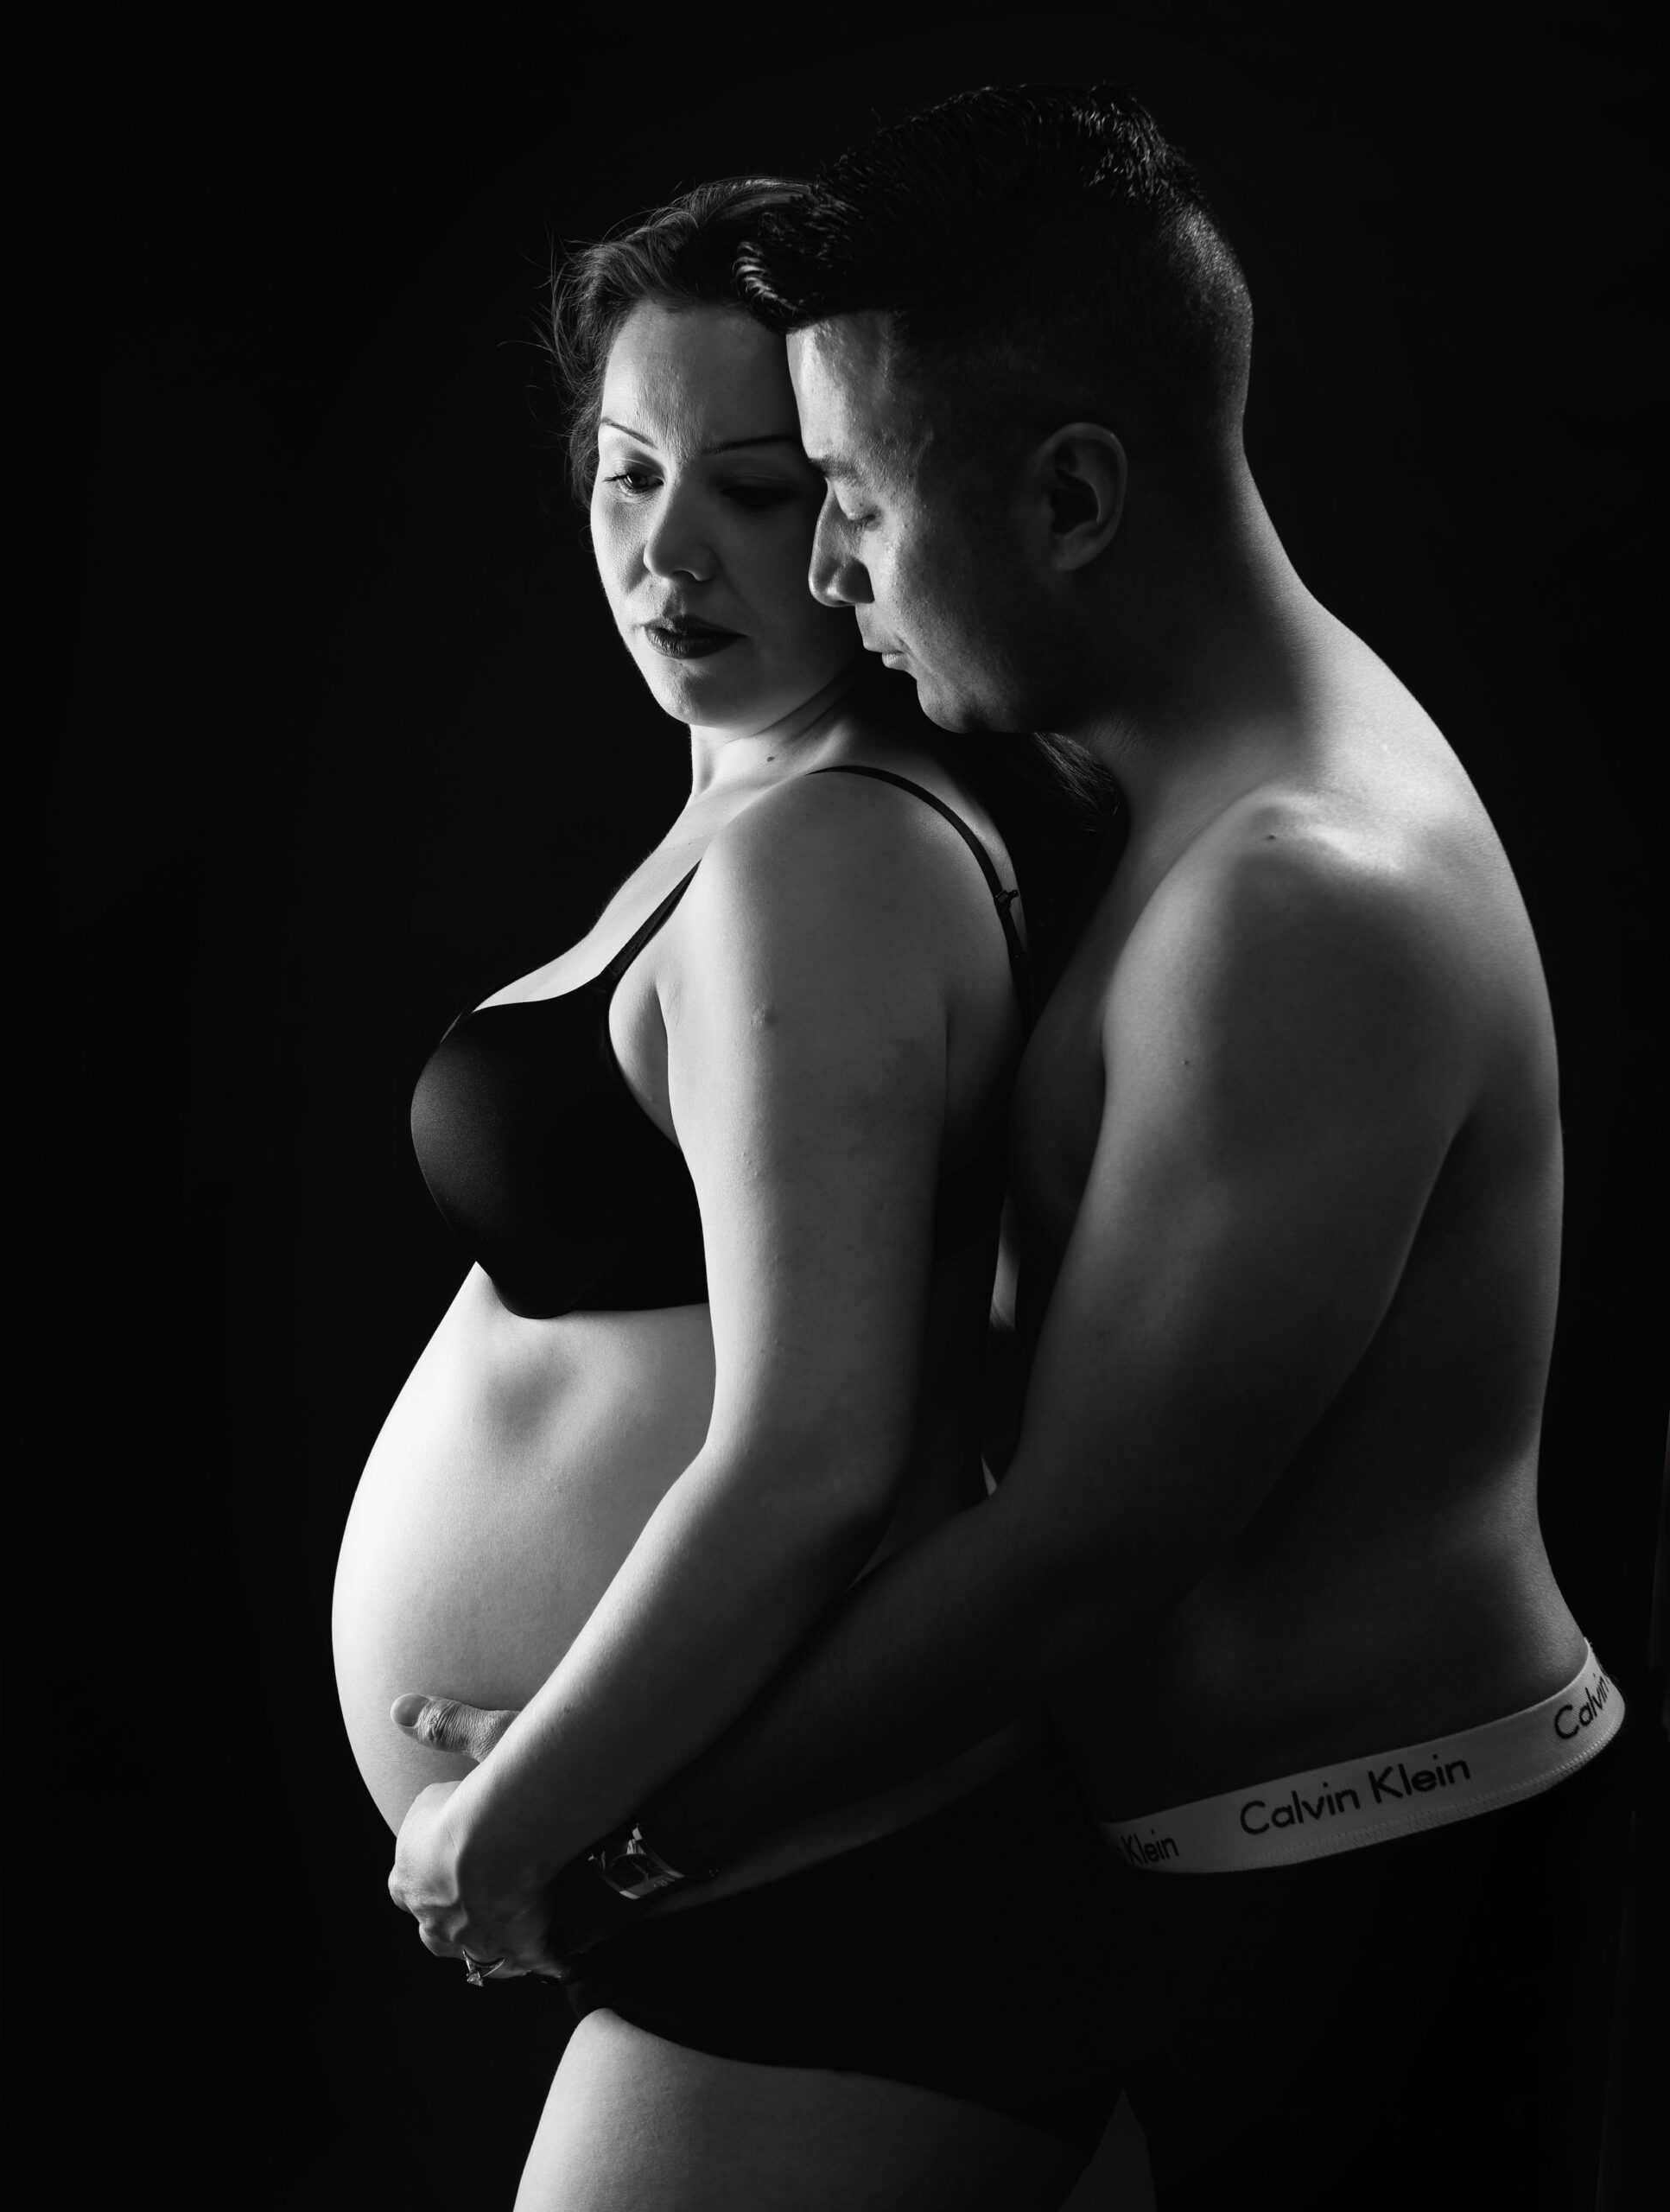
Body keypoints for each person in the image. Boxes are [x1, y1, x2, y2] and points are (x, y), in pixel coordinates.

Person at [410, 89, 1629, 2210]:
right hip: (1186, 1856)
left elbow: (1088, 1538)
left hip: (1360, 1883)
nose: (827, 572)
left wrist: (614, 1830)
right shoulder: (1115, 763)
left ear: (1070, 494)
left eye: (851, 500)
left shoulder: (1294, 894)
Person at [331, 179, 1114, 2209]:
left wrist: (524, 1811)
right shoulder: (745, 811)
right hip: (755, 1884)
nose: (665, 551)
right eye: (625, 474)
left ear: (862, 491)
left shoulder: (832, 856)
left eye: (754, 488)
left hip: (827, 1914)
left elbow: (818, 1455)